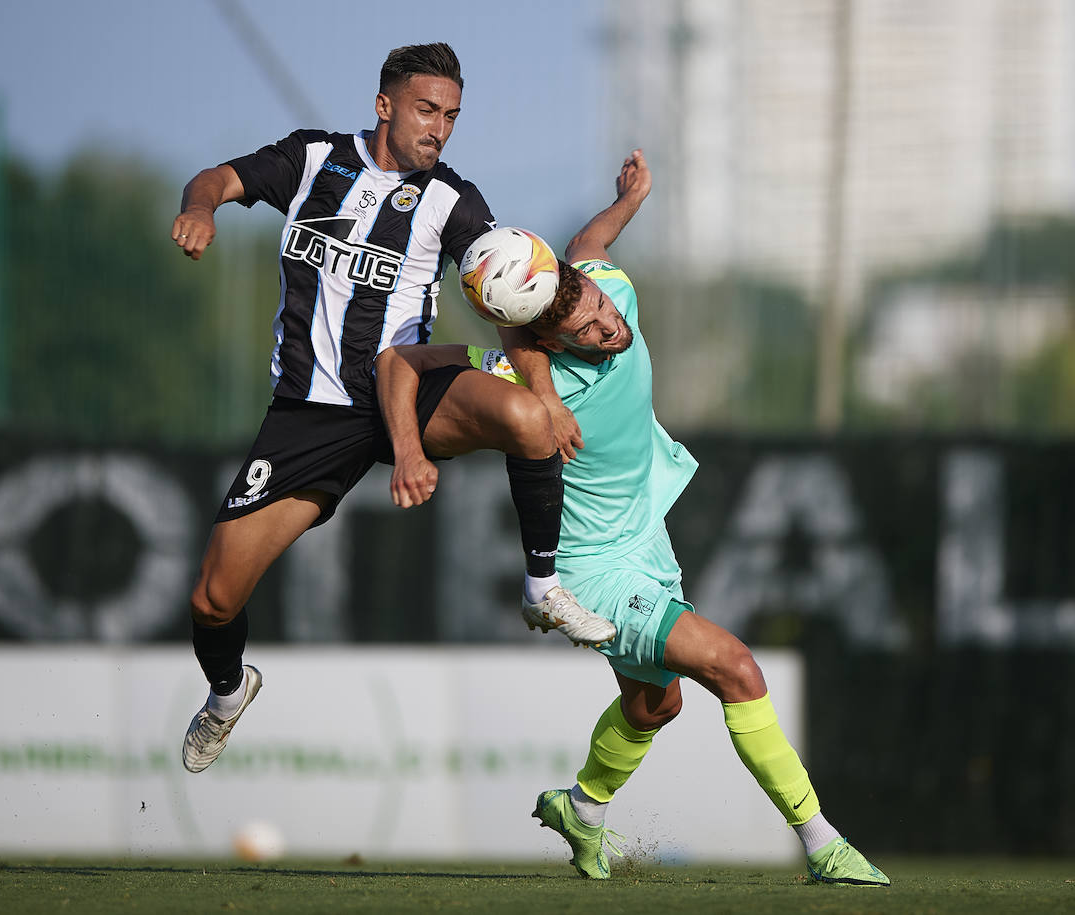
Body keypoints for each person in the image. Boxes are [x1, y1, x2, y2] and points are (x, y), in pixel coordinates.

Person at [377, 149, 890, 887]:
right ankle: (823, 844)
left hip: (646, 538)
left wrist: (628, 202)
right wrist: (406, 446)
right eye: (585, 330)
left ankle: (580, 809)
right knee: (735, 666)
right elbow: (402, 362)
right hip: (592, 570)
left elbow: (589, 247)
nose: (607, 327)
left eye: (602, 311)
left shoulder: (606, 287)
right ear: (549, 344)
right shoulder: (519, 383)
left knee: (655, 704)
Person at [169, 43, 614, 776]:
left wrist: (542, 392)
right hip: (309, 412)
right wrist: (199, 208)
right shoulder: (313, 159)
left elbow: (501, 298)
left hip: (405, 386)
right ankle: (227, 690)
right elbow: (219, 177)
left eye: (452, 116)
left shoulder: (454, 199)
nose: (439, 128)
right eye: (426, 110)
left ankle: (543, 588)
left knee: (529, 422)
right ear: (385, 106)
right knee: (214, 600)